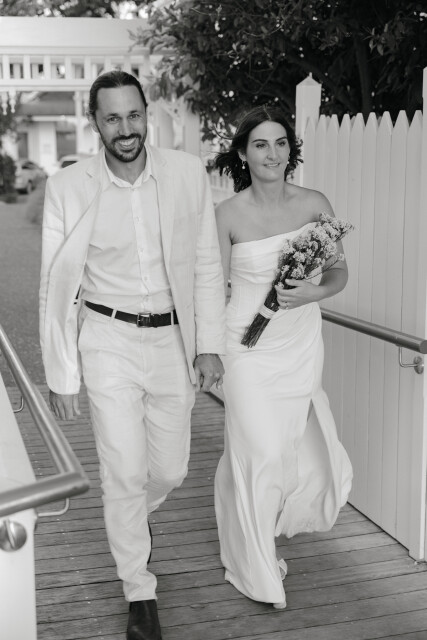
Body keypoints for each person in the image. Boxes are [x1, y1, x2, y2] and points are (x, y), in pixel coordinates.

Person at [39, 70, 226, 640]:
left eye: (134, 115)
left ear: (147, 114)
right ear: (95, 123)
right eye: (113, 118)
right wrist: (62, 373)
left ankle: (131, 522)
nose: (127, 129)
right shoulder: (67, 186)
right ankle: (138, 589)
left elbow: (206, 262)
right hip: (107, 340)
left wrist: (210, 346)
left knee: (169, 469)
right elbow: (54, 284)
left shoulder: (187, 173)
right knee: (122, 471)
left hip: (172, 340)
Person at [213, 105, 352, 609]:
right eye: (260, 144)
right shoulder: (226, 215)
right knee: (263, 450)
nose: (272, 153)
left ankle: (248, 534)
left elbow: (338, 273)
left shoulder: (315, 203)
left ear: (290, 150)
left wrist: (313, 292)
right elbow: (212, 289)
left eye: (279, 143)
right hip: (245, 347)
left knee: (279, 448)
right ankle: (257, 567)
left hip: (299, 342)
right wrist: (208, 351)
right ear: (243, 154)